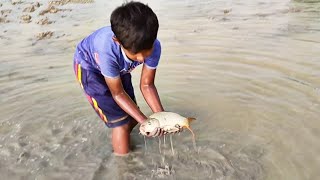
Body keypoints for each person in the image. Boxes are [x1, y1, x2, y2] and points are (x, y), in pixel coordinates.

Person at [73, 1, 167, 156]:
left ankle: (120, 141)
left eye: (146, 51)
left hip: (119, 70)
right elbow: (118, 94)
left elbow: (147, 85)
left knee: (133, 117)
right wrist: (146, 122)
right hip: (90, 69)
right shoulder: (107, 50)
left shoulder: (154, 45)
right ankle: (123, 166)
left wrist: (161, 118)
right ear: (118, 42)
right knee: (121, 124)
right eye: (135, 54)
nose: (142, 58)